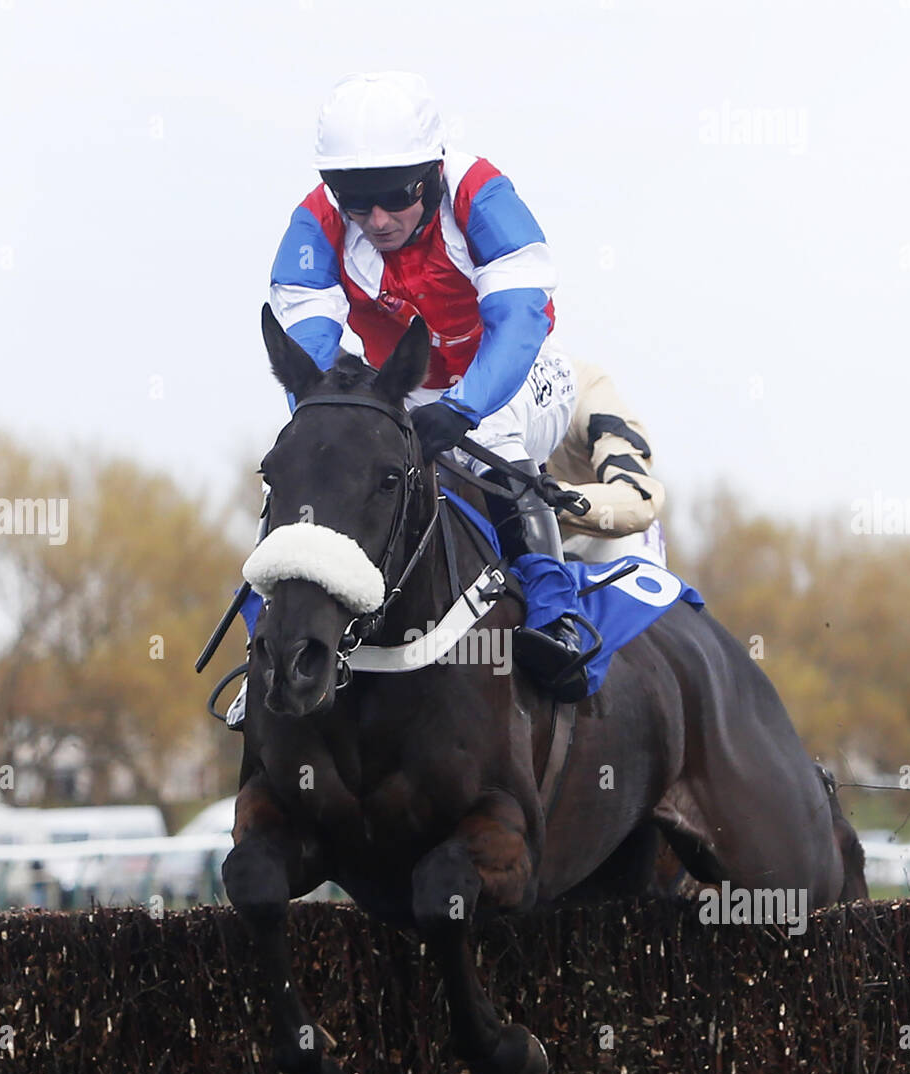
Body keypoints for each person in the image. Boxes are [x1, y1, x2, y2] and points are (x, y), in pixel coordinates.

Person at [228, 71, 595, 727]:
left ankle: (555, 611)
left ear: (429, 173)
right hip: (397, 389)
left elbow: (519, 322)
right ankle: (262, 641)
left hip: (513, 375)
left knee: (497, 434)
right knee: (311, 461)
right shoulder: (315, 223)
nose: (376, 219)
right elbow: (311, 354)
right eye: (355, 201)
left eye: (395, 198)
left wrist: (460, 410)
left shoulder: (480, 196)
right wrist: (341, 428)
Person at [545, 357, 667, 565]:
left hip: (597, 540)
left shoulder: (582, 387)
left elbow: (640, 499)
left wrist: (552, 500)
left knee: (633, 549)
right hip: (502, 544)